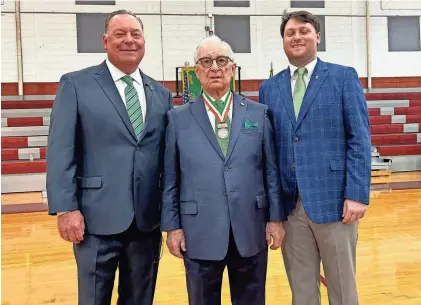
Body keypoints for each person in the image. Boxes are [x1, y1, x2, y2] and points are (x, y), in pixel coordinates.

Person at [46, 9, 173, 305]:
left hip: (146, 222)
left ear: (144, 41)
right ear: (105, 40)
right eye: (120, 34)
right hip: (94, 220)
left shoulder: (162, 94)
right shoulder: (76, 85)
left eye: (136, 34)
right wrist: (66, 208)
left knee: (140, 299)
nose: (129, 40)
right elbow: (61, 149)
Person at [161, 35, 286, 305]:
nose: (214, 67)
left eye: (222, 61)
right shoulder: (177, 118)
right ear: (196, 71)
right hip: (198, 232)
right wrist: (172, 227)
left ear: (232, 67)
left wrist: (275, 219)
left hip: (251, 229)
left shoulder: (258, 113)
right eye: (206, 61)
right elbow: (171, 179)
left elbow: (271, 172)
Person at [259, 10, 371, 305]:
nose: (297, 36)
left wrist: (357, 194)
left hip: (335, 203)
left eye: (304, 31)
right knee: (302, 292)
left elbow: (359, 138)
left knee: (342, 289)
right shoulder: (268, 88)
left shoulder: (342, 77)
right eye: (290, 33)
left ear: (317, 37)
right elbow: (269, 151)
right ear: (283, 41)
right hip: (290, 208)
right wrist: (272, 212)